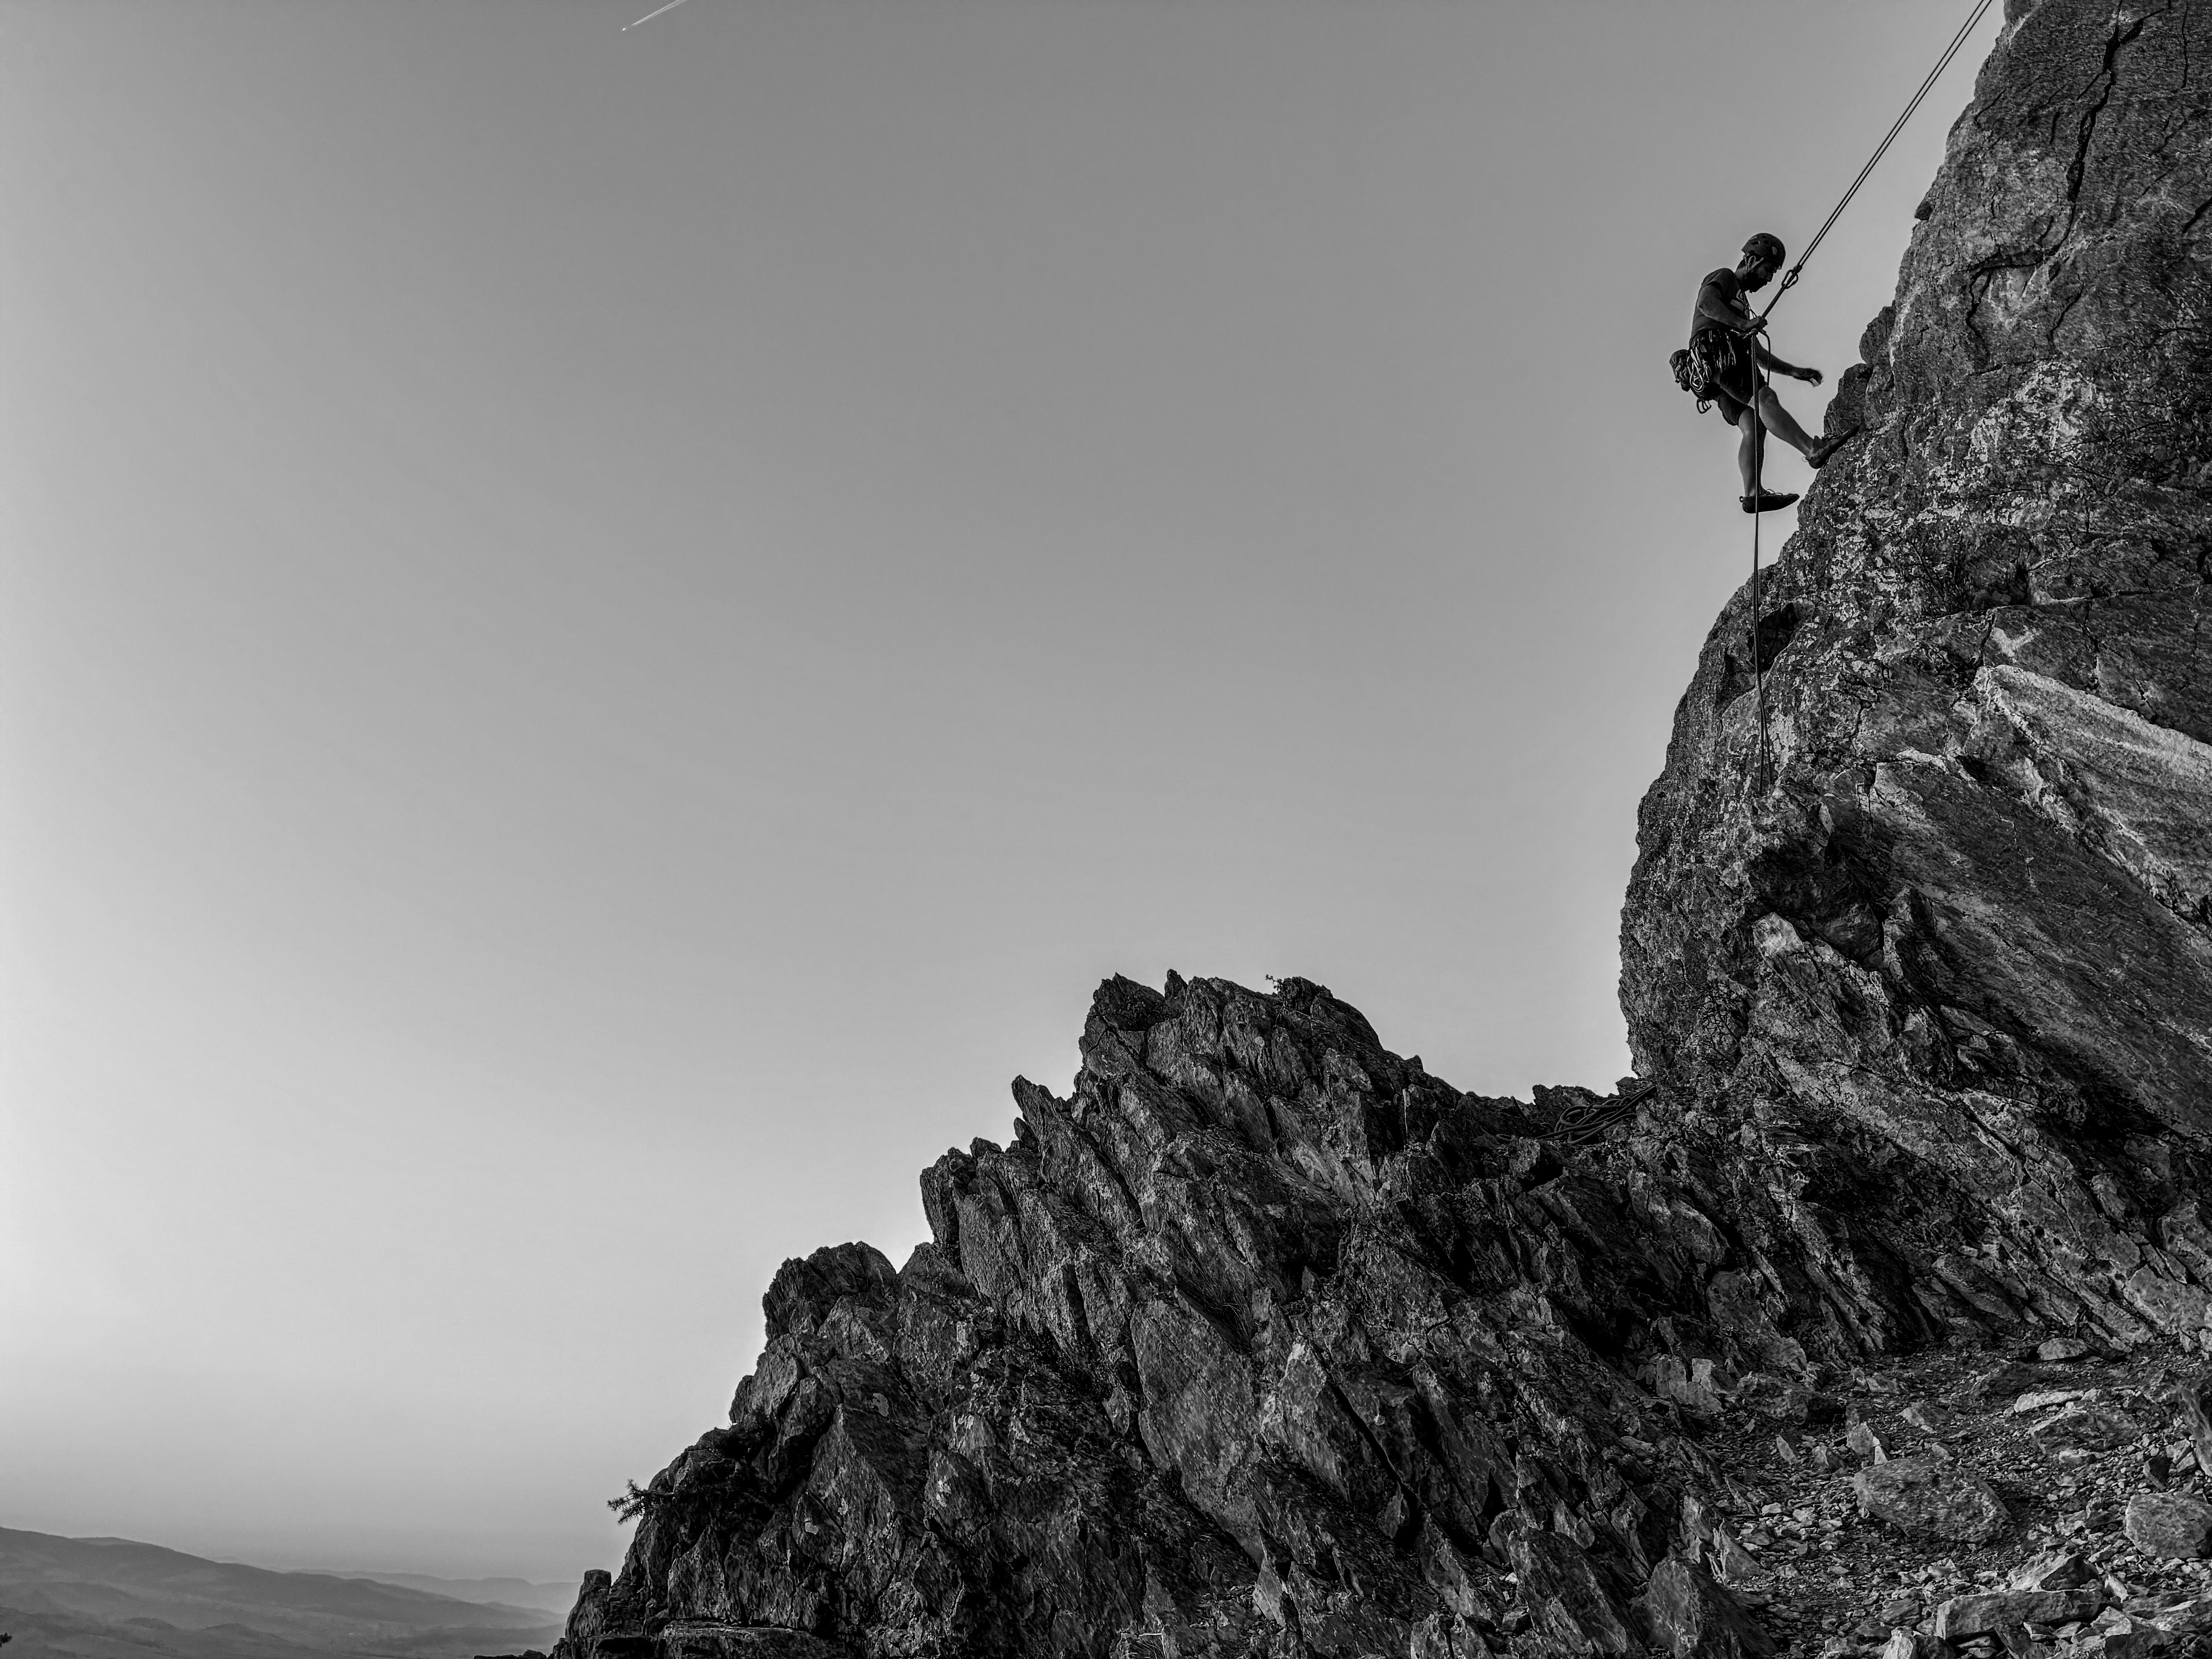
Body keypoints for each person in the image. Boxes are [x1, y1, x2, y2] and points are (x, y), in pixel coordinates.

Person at [1687, 232, 1852, 513]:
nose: (1770, 279)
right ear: (1752, 260)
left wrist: (1793, 371)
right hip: (1717, 352)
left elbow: (1756, 354)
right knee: (1766, 400)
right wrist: (1742, 323)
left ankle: (1753, 494)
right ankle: (1813, 450)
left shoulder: (1740, 305)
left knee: (1754, 424)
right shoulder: (1725, 277)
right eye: (1769, 269)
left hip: (1711, 370)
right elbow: (1706, 303)